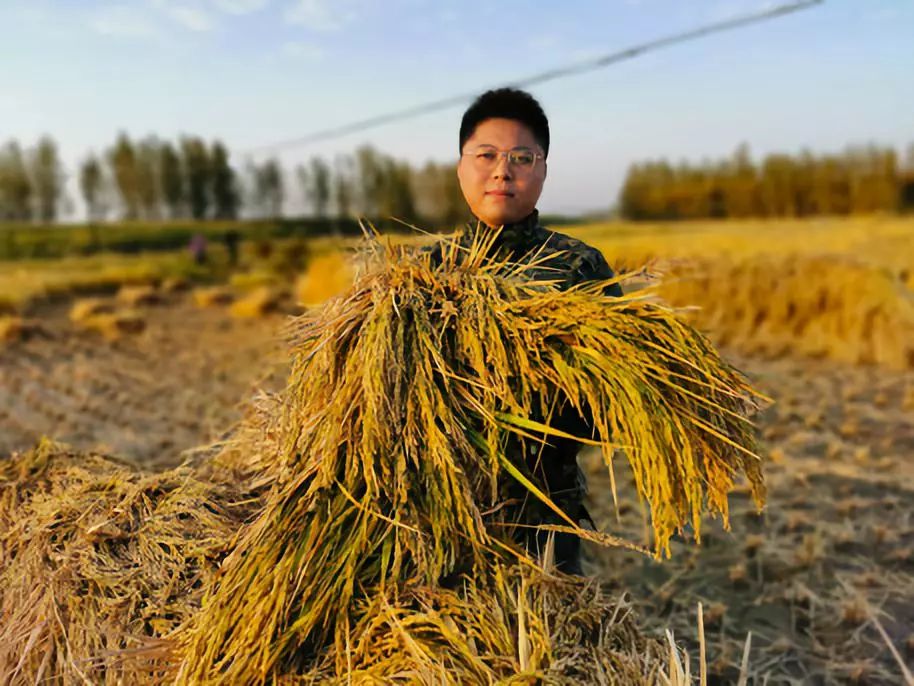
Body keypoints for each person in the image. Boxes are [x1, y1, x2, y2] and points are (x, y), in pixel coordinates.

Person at [427, 87, 624, 576]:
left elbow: (616, 410)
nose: (502, 170)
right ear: (461, 167)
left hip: (547, 521)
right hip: (439, 519)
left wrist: (550, 384)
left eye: (521, 157)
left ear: (542, 171)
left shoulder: (578, 268)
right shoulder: (423, 276)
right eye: (486, 155)